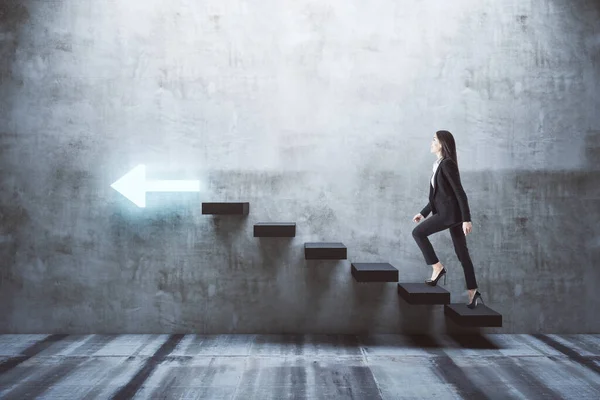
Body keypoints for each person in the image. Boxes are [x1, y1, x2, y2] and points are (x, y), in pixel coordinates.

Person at [411, 130, 483, 308]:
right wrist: (423, 213)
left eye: (434, 139)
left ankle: (437, 267)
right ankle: (473, 292)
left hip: (449, 215)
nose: (431, 142)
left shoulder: (447, 164)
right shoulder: (438, 164)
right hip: (450, 214)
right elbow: (439, 196)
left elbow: (459, 192)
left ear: (442, 144)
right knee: (462, 254)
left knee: (418, 233)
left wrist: (467, 219)